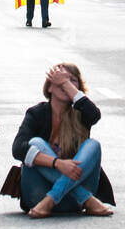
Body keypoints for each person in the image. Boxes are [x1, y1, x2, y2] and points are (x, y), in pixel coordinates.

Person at [11, 63, 115, 218]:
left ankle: (52, 199)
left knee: (93, 145)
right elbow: (18, 148)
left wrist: (65, 83)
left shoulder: (81, 114)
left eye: (72, 80)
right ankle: (84, 197)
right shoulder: (37, 114)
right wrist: (58, 164)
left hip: (69, 201)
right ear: (49, 88)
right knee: (36, 143)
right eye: (59, 80)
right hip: (39, 195)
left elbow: (94, 115)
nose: (65, 83)